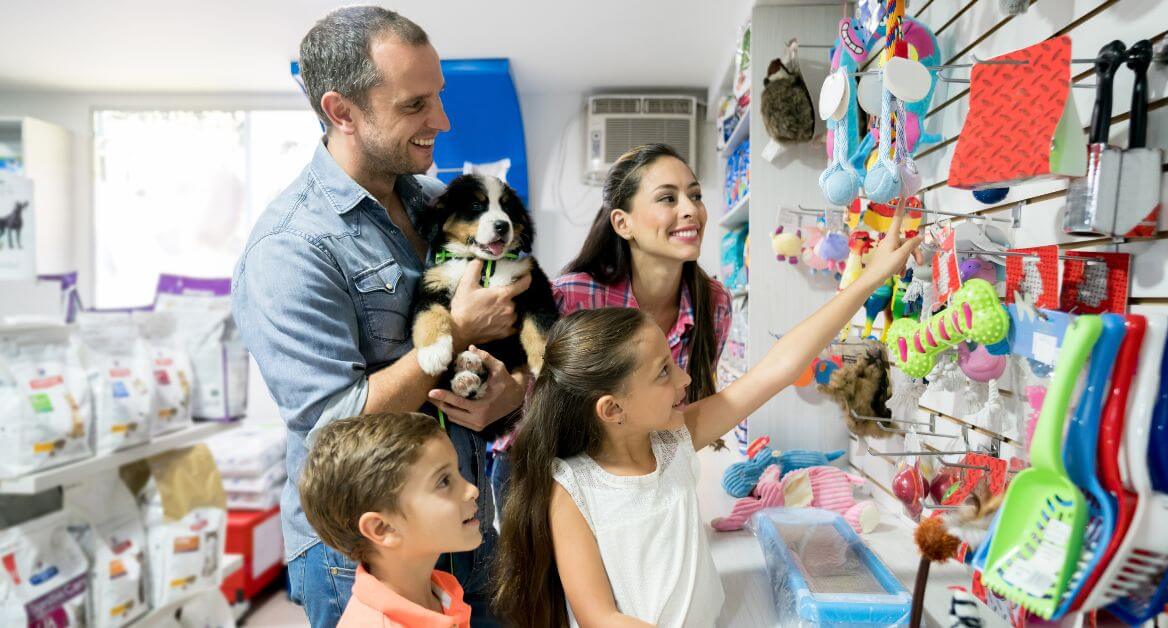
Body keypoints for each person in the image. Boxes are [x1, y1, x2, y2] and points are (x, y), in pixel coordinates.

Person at [231, 7, 527, 626]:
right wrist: (452, 337)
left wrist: (506, 391)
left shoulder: (431, 204)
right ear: (341, 111)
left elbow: (492, 350)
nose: (441, 121)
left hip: (465, 519)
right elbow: (327, 429)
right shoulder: (290, 248)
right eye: (415, 104)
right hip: (364, 555)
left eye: (438, 96)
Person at [492, 214, 920, 627]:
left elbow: (779, 366)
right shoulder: (573, 489)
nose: (685, 377)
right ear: (612, 409)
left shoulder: (673, 440)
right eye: (663, 371)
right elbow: (600, 617)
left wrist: (868, 280)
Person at [492, 143, 731, 513]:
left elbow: (683, 409)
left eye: (695, 195)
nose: (691, 210)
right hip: (546, 476)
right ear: (623, 223)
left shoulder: (714, 303)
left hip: (639, 476)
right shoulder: (570, 298)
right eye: (667, 198)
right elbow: (535, 412)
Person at [299, 412, 477, 628]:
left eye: (457, 472)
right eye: (443, 482)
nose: (472, 490)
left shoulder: (442, 591)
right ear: (382, 528)